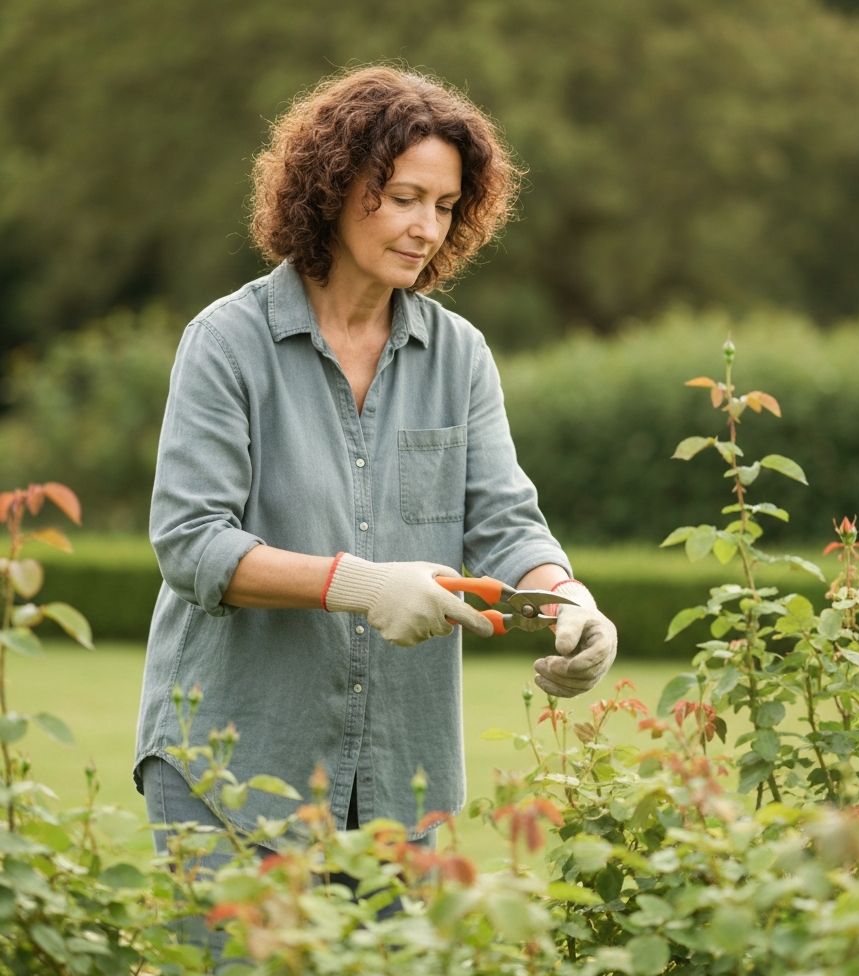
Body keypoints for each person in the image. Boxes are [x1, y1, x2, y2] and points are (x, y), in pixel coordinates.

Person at [132, 66, 617, 913]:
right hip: (234, 773)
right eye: (401, 196)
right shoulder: (227, 343)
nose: (426, 226)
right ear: (331, 188)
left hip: (400, 779)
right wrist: (358, 586)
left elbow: (504, 522)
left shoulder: (459, 356)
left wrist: (566, 596)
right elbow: (192, 543)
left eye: (445, 205)